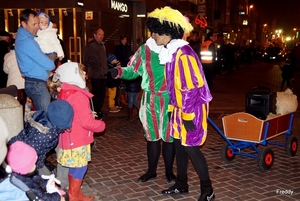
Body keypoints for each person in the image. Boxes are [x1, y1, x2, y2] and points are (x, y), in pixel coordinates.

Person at [146, 7, 215, 201]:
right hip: (178, 109)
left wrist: (186, 117)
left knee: (191, 148)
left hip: (191, 110)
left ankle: (208, 190)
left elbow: (190, 89)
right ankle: (181, 184)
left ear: (167, 32)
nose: (153, 36)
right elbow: (174, 87)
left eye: (155, 32)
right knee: (178, 145)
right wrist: (171, 109)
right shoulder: (171, 52)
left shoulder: (183, 54)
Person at [108, 37, 176, 183]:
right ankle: (151, 171)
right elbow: (133, 70)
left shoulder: (176, 49)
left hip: (171, 100)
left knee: (169, 137)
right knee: (152, 137)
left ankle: (169, 172)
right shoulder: (146, 49)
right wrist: (119, 71)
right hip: (151, 100)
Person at [51, 61, 106, 201]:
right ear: (73, 75)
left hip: (68, 138)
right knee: (80, 167)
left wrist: (87, 113)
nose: (86, 75)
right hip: (78, 138)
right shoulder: (78, 95)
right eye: (82, 72)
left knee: (74, 166)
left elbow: (73, 113)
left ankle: (74, 193)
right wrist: (100, 125)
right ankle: (74, 195)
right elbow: (86, 123)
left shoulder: (65, 91)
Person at [7, 99, 74, 175]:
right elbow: (35, 155)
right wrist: (38, 168)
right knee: (44, 178)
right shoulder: (45, 135)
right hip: (23, 158)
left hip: (23, 146)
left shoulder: (44, 118)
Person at [15, 9, 55, 111]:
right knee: (44, 119)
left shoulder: (26, 39)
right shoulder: (27, 42)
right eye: (34, 24)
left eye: (38, 23)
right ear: (23, 24)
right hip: (37, 84)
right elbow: (47, 63)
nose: (38, 27)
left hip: (34, 83)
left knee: (41, 117)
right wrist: (52, 61)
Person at [83, 27, 108, 118]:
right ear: (95, 35)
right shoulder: (91, 46)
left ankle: (99, 110)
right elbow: (86, 59)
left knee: (102, 94)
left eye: (102, 35)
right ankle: (94, 111)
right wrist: (97, 67)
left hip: (103, 74)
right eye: (99, 34)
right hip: (96, 74)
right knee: (96, 94)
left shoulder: (102, 45)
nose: (101, 36)